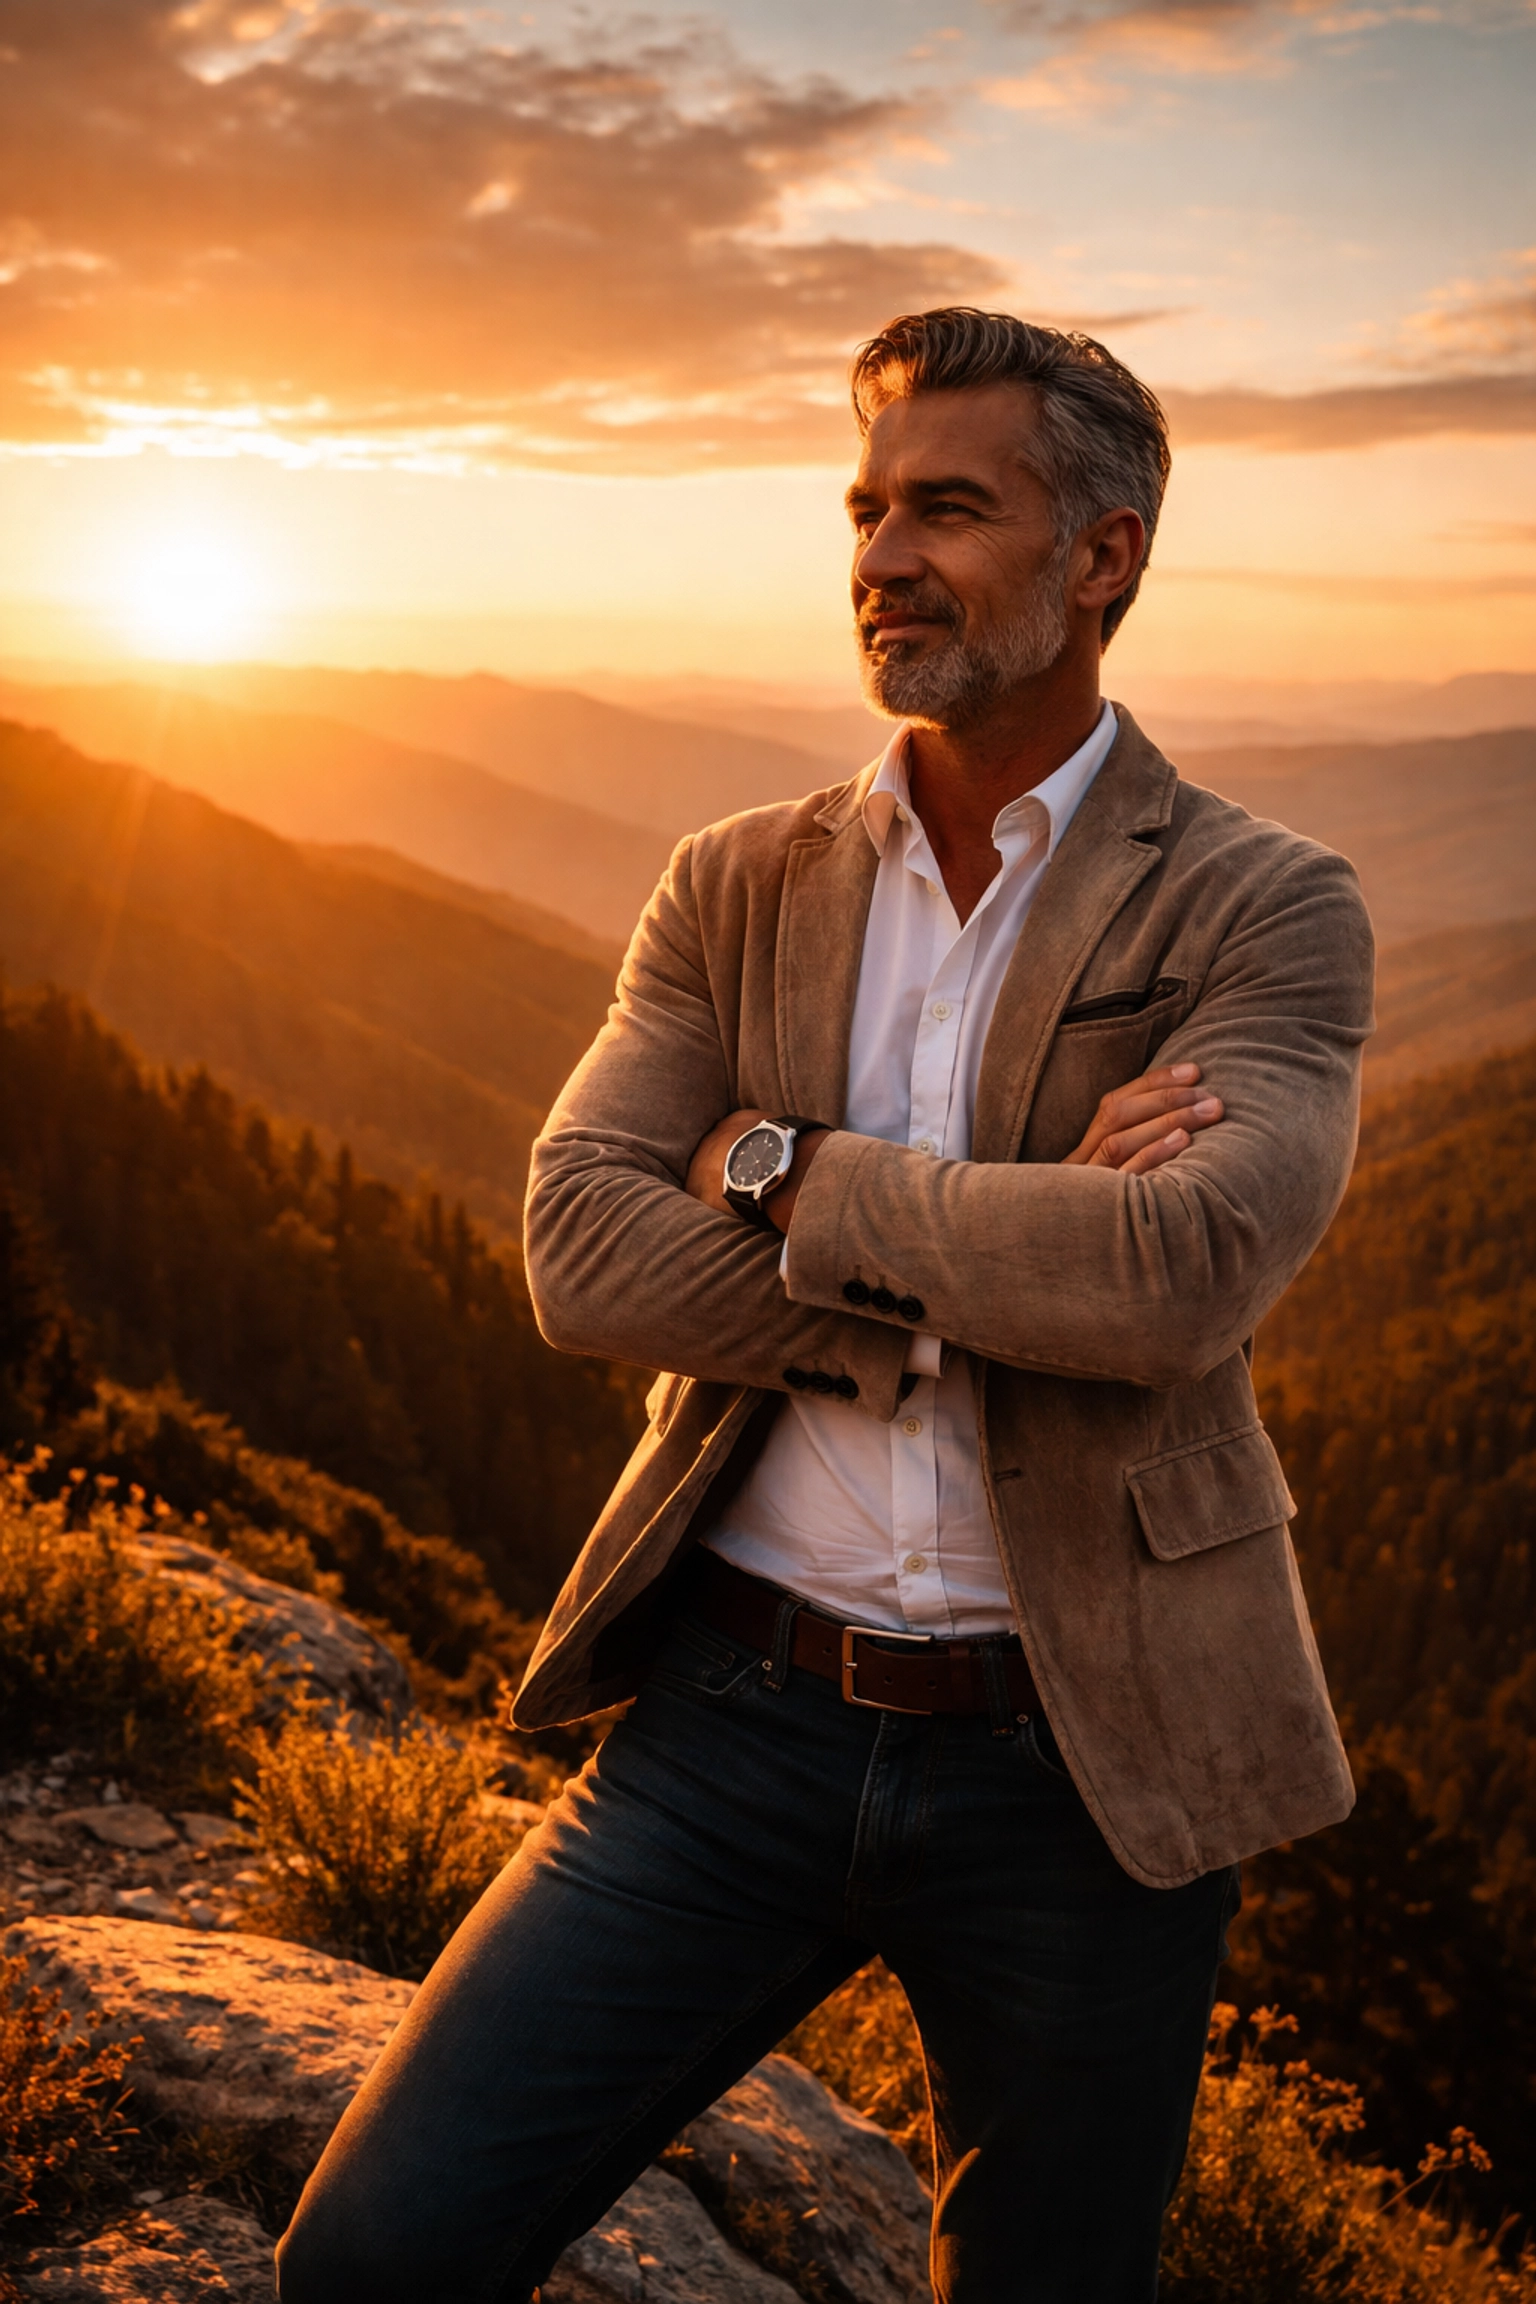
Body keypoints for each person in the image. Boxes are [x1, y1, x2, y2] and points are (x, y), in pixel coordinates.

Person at [276, 308, 1373, 2304]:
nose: (882, 554)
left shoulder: (1262, 904)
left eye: (949, 507)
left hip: (1091, 1759)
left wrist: (782, 1166)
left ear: (1103, 555)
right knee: (377, 2254)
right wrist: (975, 1275)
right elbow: (578, 1250)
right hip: (732, 1723)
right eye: (867, 507)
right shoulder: (734, 883)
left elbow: (1180, 1273)